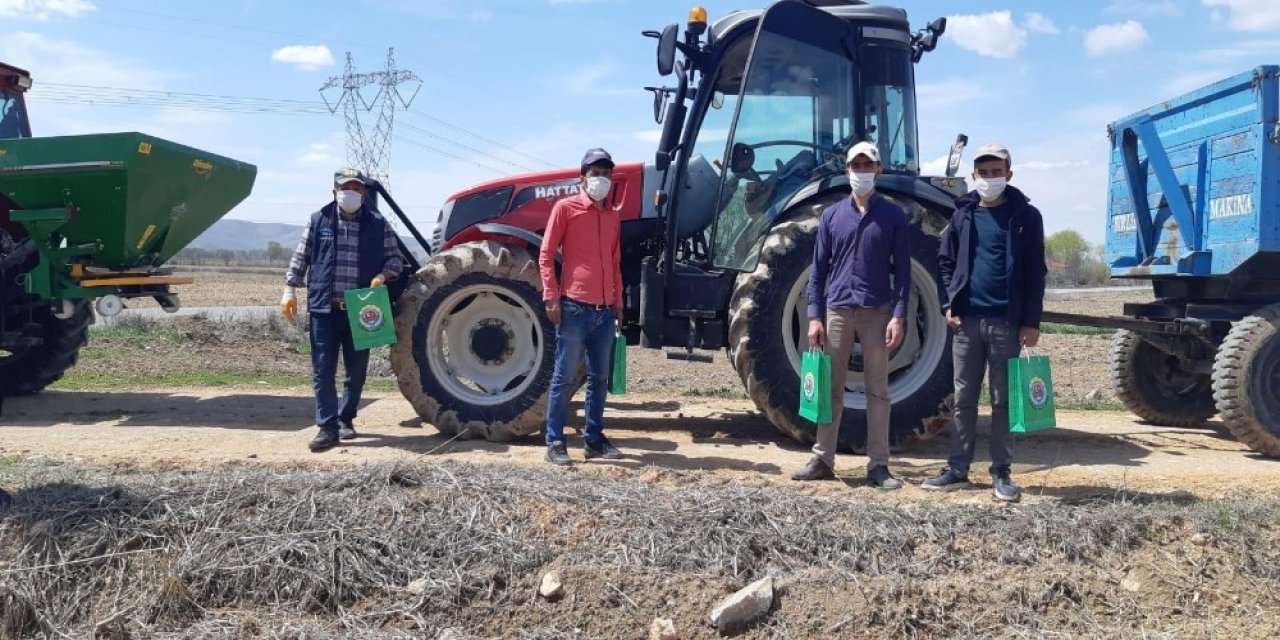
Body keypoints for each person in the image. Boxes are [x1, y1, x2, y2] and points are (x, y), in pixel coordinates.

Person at [926, 144, 1047, 501]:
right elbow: (945, 261)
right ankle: (957, 469)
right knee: (963, 398)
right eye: (984, 173)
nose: (990, 178)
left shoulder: (1025, 216)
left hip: (1006, 324)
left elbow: (1035, 272)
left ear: (1008, 175)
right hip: (966, 323)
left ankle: (1001, 472)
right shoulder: (962, 215)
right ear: (974, 176)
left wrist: (1031, 321)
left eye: (997, 172)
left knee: (1002, 400)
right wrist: (948, 304)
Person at [791, 141, 911, 490]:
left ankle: (878, 466)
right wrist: (814, 316)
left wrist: (899, 316)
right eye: (855, 166)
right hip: (838, 311)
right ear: (847, 171)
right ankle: (823, 458)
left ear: (878, 170)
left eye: (867, 166)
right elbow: (818, 271)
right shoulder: (831, 216)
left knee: (877, 391)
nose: (861, 172)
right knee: (830, 388)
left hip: (877, 312)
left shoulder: (893, 216)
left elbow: (902, 272)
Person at [281, 167, 404, 453]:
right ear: (334, 191)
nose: (351, 192)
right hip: (325, 309)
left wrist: (383, 276)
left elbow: (395, 259)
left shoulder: (377, 223)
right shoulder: (319, 220)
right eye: (345, 187)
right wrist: (289, 289)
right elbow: (301, 257)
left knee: (357, 370)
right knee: (322, 370)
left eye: (357, 188)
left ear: (363, 193)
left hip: (362, 310)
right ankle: (327, 427)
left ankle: (346, 418)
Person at [539, 148, 625, 466]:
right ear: (583, 177)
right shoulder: (566, 209)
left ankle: (593, 440)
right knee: (563, 377)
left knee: (599, 379)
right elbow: (546, 254)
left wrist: (618, 302)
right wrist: (551, 295)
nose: (601, 178)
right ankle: (555, 441)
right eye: (595, 172)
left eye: (606, 172)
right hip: (574, 308)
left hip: (604, 312)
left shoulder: (612, 215)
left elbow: (615, 262)